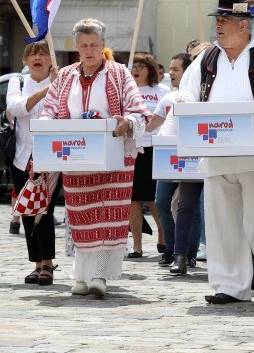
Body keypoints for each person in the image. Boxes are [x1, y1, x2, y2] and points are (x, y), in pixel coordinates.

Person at [179, 0, 254, 304]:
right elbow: (185, 91)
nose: (218, 25)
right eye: (217, 20)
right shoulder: (206, 58)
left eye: (225, 20)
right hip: (214, 149)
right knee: (222, 223)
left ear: (244, 25)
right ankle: (230, 285)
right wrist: (184, 104)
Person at [41, 18, 150, 298]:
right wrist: (47, 127)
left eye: (94, 45)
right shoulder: (65, 75)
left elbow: (140, 112)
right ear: (76, 48)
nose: (89, 52)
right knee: (81, 215)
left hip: (114, 157)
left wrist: (126, 122)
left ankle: (100, 274)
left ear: (103, 46)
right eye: (84, 46)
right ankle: (81, 273)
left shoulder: (119, 73)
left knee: (108, 214)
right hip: (76, 155)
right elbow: (49, 111)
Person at [6, 41, 60, 286]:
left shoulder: (63, 81)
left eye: (43, 53)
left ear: (51, 59)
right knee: (28, 209)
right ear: (26, 61)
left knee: (44, 209)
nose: (38, 57)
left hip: (52, 155)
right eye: (33, 54)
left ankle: (48, 263)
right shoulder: (18, 82)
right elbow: (15, 107)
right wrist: (45, 91)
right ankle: (36, 263)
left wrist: (55, 85)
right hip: (22, 156)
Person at [148, 52, 200, 270]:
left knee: (189, 206)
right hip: (169, 157)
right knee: (161, 201)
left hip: (195, 157)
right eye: (170, 68)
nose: (170, 73)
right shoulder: (168, 98)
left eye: (176, 69)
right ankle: (171, 246)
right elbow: (153, 124)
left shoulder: (201, 96)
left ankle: (187, 253)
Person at [128, 53, 170, 258]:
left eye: (141, 66)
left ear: (150, 69)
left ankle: (163, 236)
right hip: (133, 148)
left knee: (154, 198)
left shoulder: (162, 90)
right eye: (133, 66)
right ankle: (137, 245)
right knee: (133, 199)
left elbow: (166, 117)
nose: (136, 70)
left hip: (155, 148)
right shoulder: (127, 91)